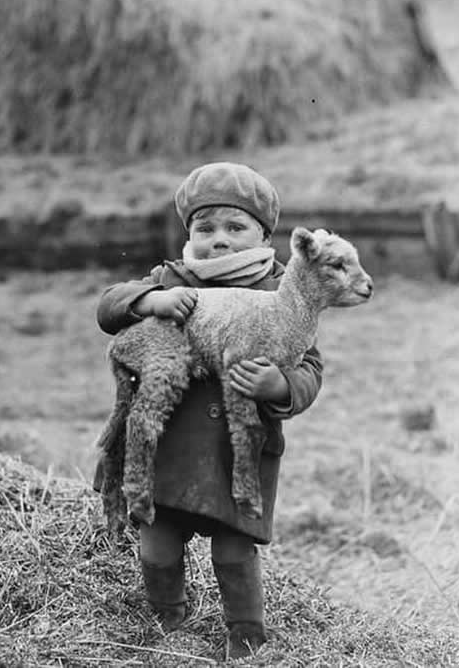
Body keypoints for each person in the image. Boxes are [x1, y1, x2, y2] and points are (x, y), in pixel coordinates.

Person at [93, 162, 323, 660]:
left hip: (235, 452)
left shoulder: (282, 290)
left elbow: (311, 370)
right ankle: (166, 622)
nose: (218, 241)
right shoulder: (173, 279)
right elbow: (108, 307)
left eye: (235, 228)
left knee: (235, 551)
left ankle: (246, 634)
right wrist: (151, 300)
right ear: (189, 234)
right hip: (173, 447)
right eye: (205, 229)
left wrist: (279, 384)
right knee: (158, 545)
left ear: (264, 234)